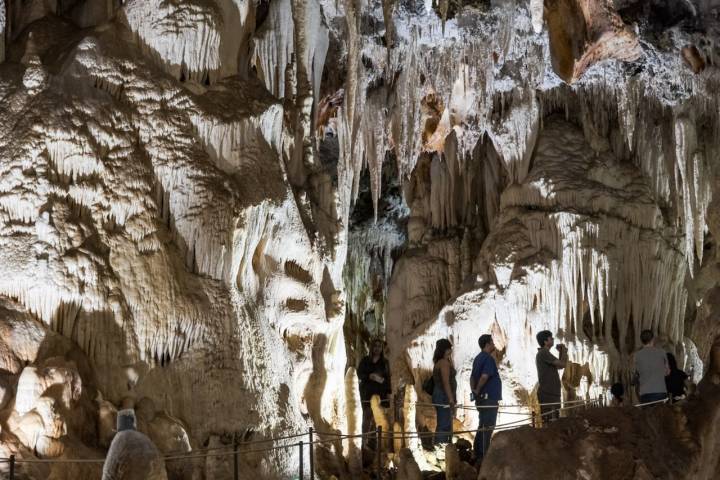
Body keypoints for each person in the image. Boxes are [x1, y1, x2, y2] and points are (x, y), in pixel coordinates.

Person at [470, 334, 502, 463]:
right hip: (488, 398)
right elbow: (484, 376)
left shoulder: (478, 358)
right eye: (492, 342)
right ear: (487, 344)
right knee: (488, 426)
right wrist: (477, 389)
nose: (494, 344)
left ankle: (477, 452)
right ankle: (484, 456)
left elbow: (472, 377)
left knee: (482, 425)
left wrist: (474, 391)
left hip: (481, 398)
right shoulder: (488, 359)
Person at [357, 338, 391, 448]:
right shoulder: (365, 360)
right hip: (367, 391)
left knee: (378, 417)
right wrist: (369, 376)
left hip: (379, 392)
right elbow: (359, 374)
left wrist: (388, 392)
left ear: (382, 349)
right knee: (367, 416)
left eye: (379, 346)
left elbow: (388, 379)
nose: (377, 349)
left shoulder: (385, 363)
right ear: (371, 348)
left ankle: (377, 443)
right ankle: (364, 441)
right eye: (375, 346)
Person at [535, 330, 567, 421]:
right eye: (551, 338)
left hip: (550, 393)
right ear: (545, 341)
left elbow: (559, 366)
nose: (553, 339)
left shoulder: (545, 354)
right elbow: (562, 364)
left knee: (552, 420)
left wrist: (561, 352)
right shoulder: (543, 353)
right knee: (550, 421)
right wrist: (564, 351)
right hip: (548, 393)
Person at [633, 330, 669, 405]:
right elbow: (666, 372)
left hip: (645, 393)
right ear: (653, 339)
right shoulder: (661, 352)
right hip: (660, 392)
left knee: (647, 415)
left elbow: (637, 373)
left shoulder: (637, 355)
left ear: (641, 341)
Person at [432, 338, 456, 444]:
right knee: (444, 423)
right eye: (449, 348)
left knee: (444, 422)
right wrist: (451, 400)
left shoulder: (440, 362)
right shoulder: (444, 363)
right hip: (443, 396)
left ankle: (442, 446)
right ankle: (441, 448)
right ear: (444, 349)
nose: (451, 350)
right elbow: (446, 382)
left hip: (440, 395)